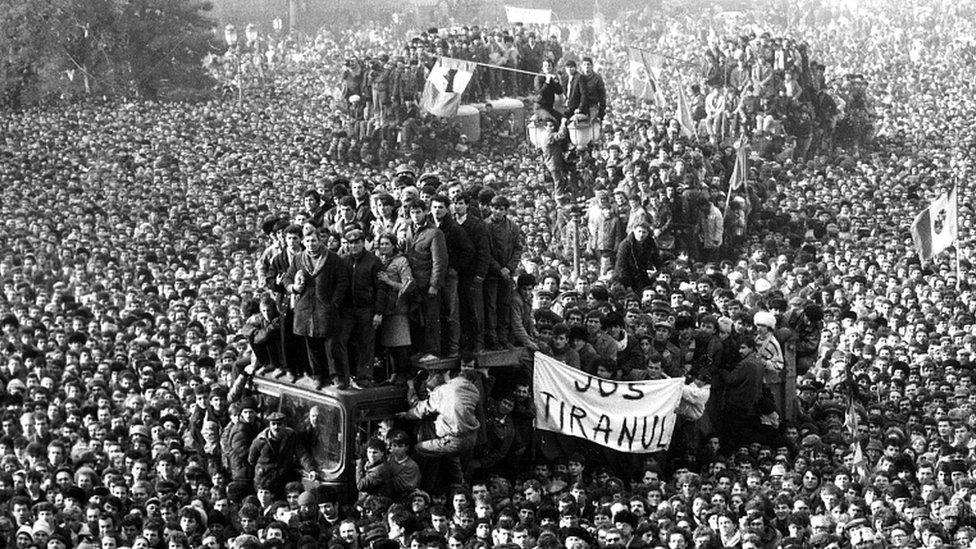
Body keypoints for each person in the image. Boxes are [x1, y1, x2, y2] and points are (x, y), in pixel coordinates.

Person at [285, 225, 351, 389]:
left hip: (326, 308)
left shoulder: (333, 259)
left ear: (320, 240)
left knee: (331, 345)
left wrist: (335, 302)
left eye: (313, 240)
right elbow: (287, 278)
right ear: (303, 241)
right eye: (307, 241)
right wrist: (293, 287)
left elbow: (342, 282)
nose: (310, 244)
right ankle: (318, 375)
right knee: (312, 345)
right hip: (306, 309)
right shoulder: (298, 258)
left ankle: (336, 376)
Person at [401, 369, 480, 490]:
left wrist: (407, 413)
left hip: (453, 438)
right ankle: (459, 488)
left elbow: (420, 409)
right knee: (453, 459)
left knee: (419, 449)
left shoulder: (443, 391)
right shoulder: (474, 392)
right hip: (471, 437)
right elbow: (455, 397)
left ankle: (412, 484)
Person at [403, 199, 448, 361]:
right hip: (413, 284)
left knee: (432, 318)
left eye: (418, 212)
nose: (415, 216)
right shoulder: (409, 229)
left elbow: (439, 261)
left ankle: (433, 351)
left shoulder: (435, 233)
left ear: (425, 212)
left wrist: (434, 284)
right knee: (416, 318)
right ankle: (420, 350)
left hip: (428, 283)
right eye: (412, 212)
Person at [430, 194, 473, 358]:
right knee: (437, 312)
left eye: (441, 207)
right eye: (434, 207)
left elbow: (468, 250)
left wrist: (455, 267)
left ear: (447, 209)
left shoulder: (454, 228)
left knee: (451, 311)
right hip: (434, 273)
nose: (437, 210)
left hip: (449, 275)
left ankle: (454, 348)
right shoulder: (430, 225)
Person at [338, 229, 382, 388]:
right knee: (341, 340)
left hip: (367, 309)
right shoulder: (343, 261)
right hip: (348, 310)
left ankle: (364, 377)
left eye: (357, 242)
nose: (354, 246)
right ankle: (344, 377)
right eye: (351, 243)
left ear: (363, 243)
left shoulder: (374, 261)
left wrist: (378, 312)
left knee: (366, 344)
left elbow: (381, 288)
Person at [375, 233, 415, 384]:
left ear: (393, 245)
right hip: (384, 307)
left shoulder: (401, 261)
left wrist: (388, 281)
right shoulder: (378, 260)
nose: (384, 246)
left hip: (398, 307)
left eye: (387, 244)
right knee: (389, 344)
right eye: (381, 244)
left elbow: (407, 284)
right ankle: (393, 374)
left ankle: (403, 375)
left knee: (400, 344)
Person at [485, 196, 525, 349]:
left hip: (507, 273)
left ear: (506, 211)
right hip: (491, 274)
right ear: (491, 208)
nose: (497, 212)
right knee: (491, 306)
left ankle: (503, 337)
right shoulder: (485, 226)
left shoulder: (512, 227)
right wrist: (498, 268)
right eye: (495, 208)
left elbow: (518, 249)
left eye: (501, 209)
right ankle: (493, 338)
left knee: (505, 305)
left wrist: (509, 267)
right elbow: (485, 251)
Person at [453, 192, 490, 353]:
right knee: (461, 310)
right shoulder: (451, 223)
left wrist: (480, 274)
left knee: (476, 310)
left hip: (473, 274)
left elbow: (484, 251)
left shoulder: (476, 224)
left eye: (460, 203)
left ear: (467, 205)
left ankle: (479, 342)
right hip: (457, 275)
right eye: (455, 203)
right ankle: (465, 343)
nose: (457, 206)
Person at [248, 412, 315, 498]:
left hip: (282, 480)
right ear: (269, 425)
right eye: (273, 424)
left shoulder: (291, 437)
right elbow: (251, 460)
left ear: (285, 425)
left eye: (279, 424)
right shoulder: (260, 441)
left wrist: (311, 469)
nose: (276, 427)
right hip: (264, 482)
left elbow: (301, 454)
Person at [613, 223, 660, 292]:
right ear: (634, 231)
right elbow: (621, 266)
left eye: (644, 232)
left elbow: (656, 259)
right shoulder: (625, 245)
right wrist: (628, 284)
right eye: (639, 231)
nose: (641, 235)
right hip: (625, 275)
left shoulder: (650, 243)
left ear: (647, 233)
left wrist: (659, 272)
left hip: (641, 273)